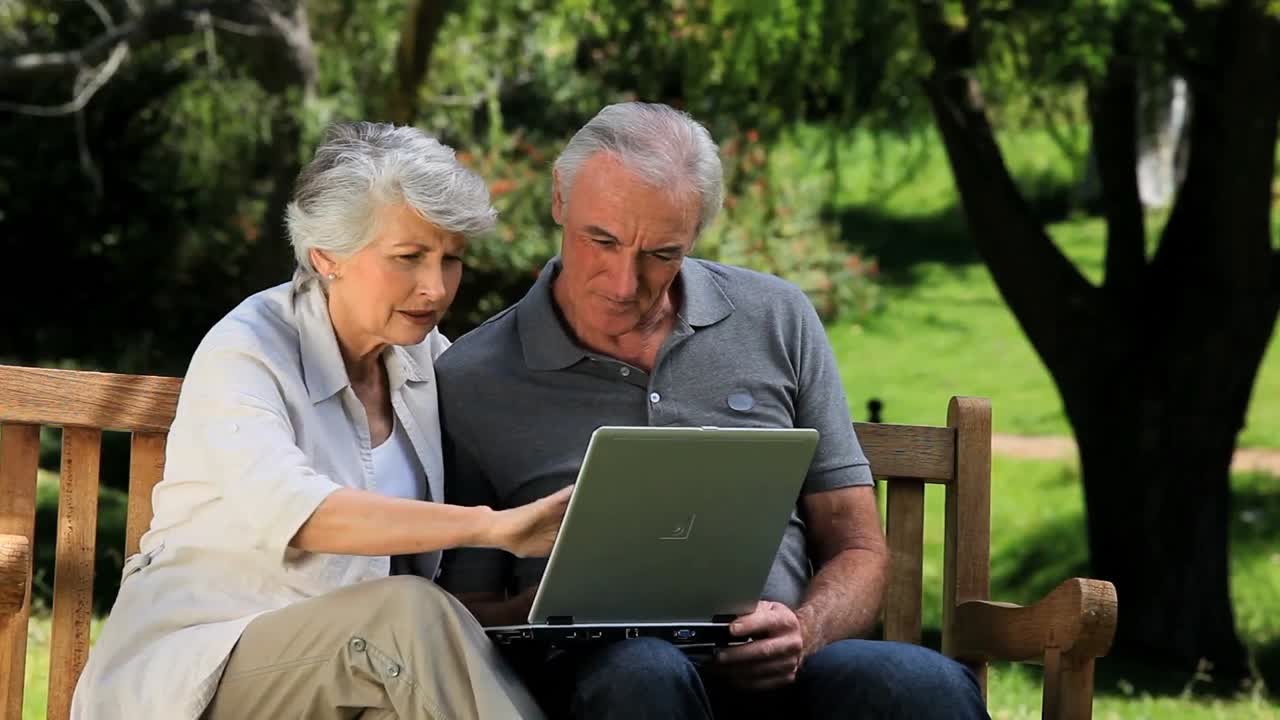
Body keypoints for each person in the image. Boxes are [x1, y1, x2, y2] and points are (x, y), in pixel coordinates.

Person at [435, 102, 990, 719]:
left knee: (921, 686)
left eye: (662, 254)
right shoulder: (474, 376)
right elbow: (464, 606)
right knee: (641, 672)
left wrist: (804, 631)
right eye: (602, 240)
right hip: (607, 682)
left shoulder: (777, 318)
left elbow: (859, 547)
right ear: (559, 200)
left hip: (782, 669)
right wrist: (549, 614)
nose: (624, 283)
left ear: (696, 233)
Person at [71, 122, 567, 720]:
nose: (435, 288)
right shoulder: (246, 351)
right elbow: (304, 515)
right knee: (403, 615)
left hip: (349, 673)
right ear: (325, 256)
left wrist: (506, 616)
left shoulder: (424, 357)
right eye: (408, 258)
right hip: (199, 673)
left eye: (451, 260)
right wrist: (492, 526)